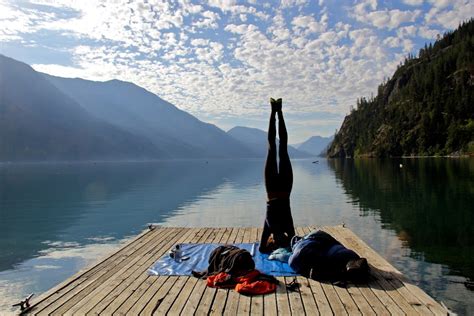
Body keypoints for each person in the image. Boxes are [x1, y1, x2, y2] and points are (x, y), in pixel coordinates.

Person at [259, 98, 296, 253]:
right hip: (277, 190)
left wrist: (283, 243)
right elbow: (262, 248)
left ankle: (276, 111)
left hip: (280, 189)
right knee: (277, 148)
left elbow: (262, 248)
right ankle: (277, 111)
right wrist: (281, 244)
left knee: (277, 148)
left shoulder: (286, 228)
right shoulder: (271, 228)